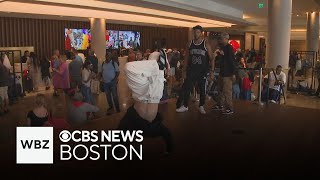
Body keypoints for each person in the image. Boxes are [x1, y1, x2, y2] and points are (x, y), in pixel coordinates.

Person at [118, 60, 173, 154]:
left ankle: (157, 66)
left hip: (143, 111)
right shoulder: (153, 89)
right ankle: (157, 66)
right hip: (147, 109)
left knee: (129, 67)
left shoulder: (133, 123)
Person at [176, 25, 214, 114]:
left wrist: (212, 71)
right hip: (192, 70)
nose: (196, 34)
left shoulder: (206, 44)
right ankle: (185, 106)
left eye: (197, 32)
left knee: (202, 89)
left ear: (201, 33)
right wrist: (184, 71)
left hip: (202, 71)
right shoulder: (190, 43)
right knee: (187, 88)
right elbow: (186, 59)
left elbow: (212, 58)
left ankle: (201, 105)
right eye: (194, 32)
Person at [213, 32, 236, 115]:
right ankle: (220, 104)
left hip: (227, 73)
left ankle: (230, 108)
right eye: (220, 38)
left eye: (222, 38)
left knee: (227, 91)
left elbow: (232, 61)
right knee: (221, 90)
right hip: (222, 72)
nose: (220, 39)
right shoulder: (224, 48)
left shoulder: (229, 48)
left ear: (226, 39)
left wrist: (233, 73)